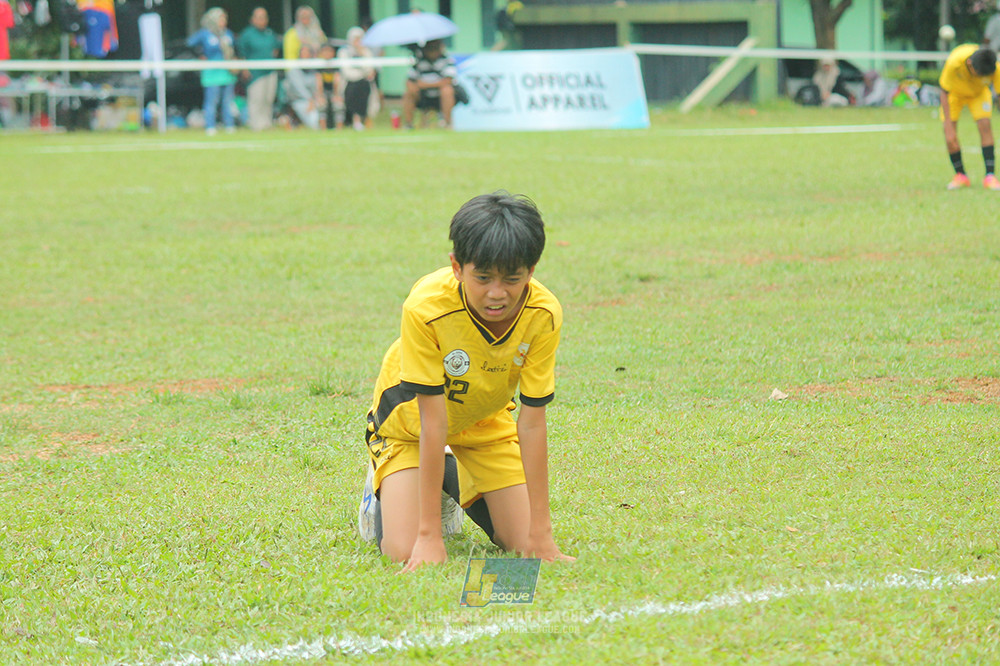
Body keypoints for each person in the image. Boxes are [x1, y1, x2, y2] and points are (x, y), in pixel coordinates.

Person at [357, 192, 575, 572]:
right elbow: (432, 420)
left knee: (523, 542)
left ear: (531, 270)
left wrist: (542, 533)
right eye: (483, 278)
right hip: (411, 426)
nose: (497, 293)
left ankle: (448, 472)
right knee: (404, 550)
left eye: (512, 278)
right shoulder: (425, 308)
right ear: (457, 267)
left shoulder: (543, 313)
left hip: (483, 421)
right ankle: (384, 491)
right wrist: (429, 535)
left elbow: (532, 422)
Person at [939, 44, 1000, 190]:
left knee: (985, 126)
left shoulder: (994, 67)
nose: (981, 77)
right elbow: (944, 92)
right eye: (979, 74)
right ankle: (961, 176)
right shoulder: (954, 62)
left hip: (978, 94)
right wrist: (948, 124)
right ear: (969, 64)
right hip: (954, 95)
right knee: (950, 136)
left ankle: (990, 176)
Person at [187, 7, 237, 135]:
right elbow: (189, 44)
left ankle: (229, 124)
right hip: (212, 73)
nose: (223, 21)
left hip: (227, 72)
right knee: (211, 101)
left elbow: (234, 49)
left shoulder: (228, 34)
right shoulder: (205, 34)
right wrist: (200, 55)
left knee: (227, 101)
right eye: (221, 19)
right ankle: (210, 125)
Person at [237, 7, 281, 131]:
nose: (262, 20)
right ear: (253, 19)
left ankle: (266, 124)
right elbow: (241, 53)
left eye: (264, 17)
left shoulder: (270, 33)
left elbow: (276, 48)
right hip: (255, 73)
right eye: (259, 17)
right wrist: (244, 69)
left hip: (270, 71)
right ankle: (256, 125)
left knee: (268, 99)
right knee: (257, 99)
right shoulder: (247, 34)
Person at [402, 39, 456, 129]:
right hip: (423, 95)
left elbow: (448, 81)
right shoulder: (419, 61)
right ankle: (409, 124)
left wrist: (424, 84)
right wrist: (415, 87)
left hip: (439, 94)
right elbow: (409, 81)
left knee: (447, 90)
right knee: (409, 92)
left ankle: (447, 123)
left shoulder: (447, 61)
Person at [338, 26, 376, 131]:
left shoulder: (366, 52)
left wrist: (361, 53)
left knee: (363, 86)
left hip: (363, 83)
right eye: (355, 39)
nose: (358, 42)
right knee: (355, 87)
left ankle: (361, 119)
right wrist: (362, 74)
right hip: (349, 83)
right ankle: (353, 119)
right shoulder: (344, 52)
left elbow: (370, 70)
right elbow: (347, 72)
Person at [282, 44, 322, 129]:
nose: (305, 56)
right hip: (298, 100)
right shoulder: (293, 71)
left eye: (307, 53)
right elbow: (300, 89)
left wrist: (316, 98)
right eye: (303, 53)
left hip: (313, 100)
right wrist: (310, 100)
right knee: (313, 120)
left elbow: (316, 87)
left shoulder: (314, 70)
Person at [317, 42, 343, 130]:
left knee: (338, 104)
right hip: (323, 91)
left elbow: (337, 82)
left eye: (329, 51)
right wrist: (320, 95)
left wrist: (336, 94)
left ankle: (339, 129)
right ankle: (323, 129)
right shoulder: (318, 65)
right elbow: (318, 83)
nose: (327, 53)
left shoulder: (336, 65)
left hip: (335, 91)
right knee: (321, 104)